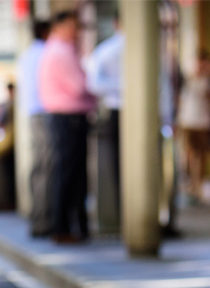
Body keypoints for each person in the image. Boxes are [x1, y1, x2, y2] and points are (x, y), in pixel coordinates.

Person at [38, 10, 96, 243]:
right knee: (70, 174)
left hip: (66, 118)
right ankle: (64, 226)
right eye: (73, 26)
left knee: (69, 173)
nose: (76, 32)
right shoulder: (61, 52)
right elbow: (80, 85)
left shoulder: (57, 50)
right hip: (68, 118)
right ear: (60, 26)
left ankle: (71, 225)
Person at [86, 16, 124, 216]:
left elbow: (94, 83)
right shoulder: (108, 50)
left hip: (116, 109)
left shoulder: (105, 50)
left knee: (117, 164)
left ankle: (121, 210)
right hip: (121, 110)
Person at [18, 21, 52, 236]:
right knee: (46, 166)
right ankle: (43, 219)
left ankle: (38, 216)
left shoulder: (28, 54)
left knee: (39, 165)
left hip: (33, 112)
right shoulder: (44, 54)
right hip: (44, 111)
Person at [177, 51, 210, 202]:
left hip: (203, 121)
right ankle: (190, 184)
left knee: (200, 154)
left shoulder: (209, 81)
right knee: (189, 153)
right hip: (188, 121)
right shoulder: (187, 80)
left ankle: (198, 184)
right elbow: (180, 100)